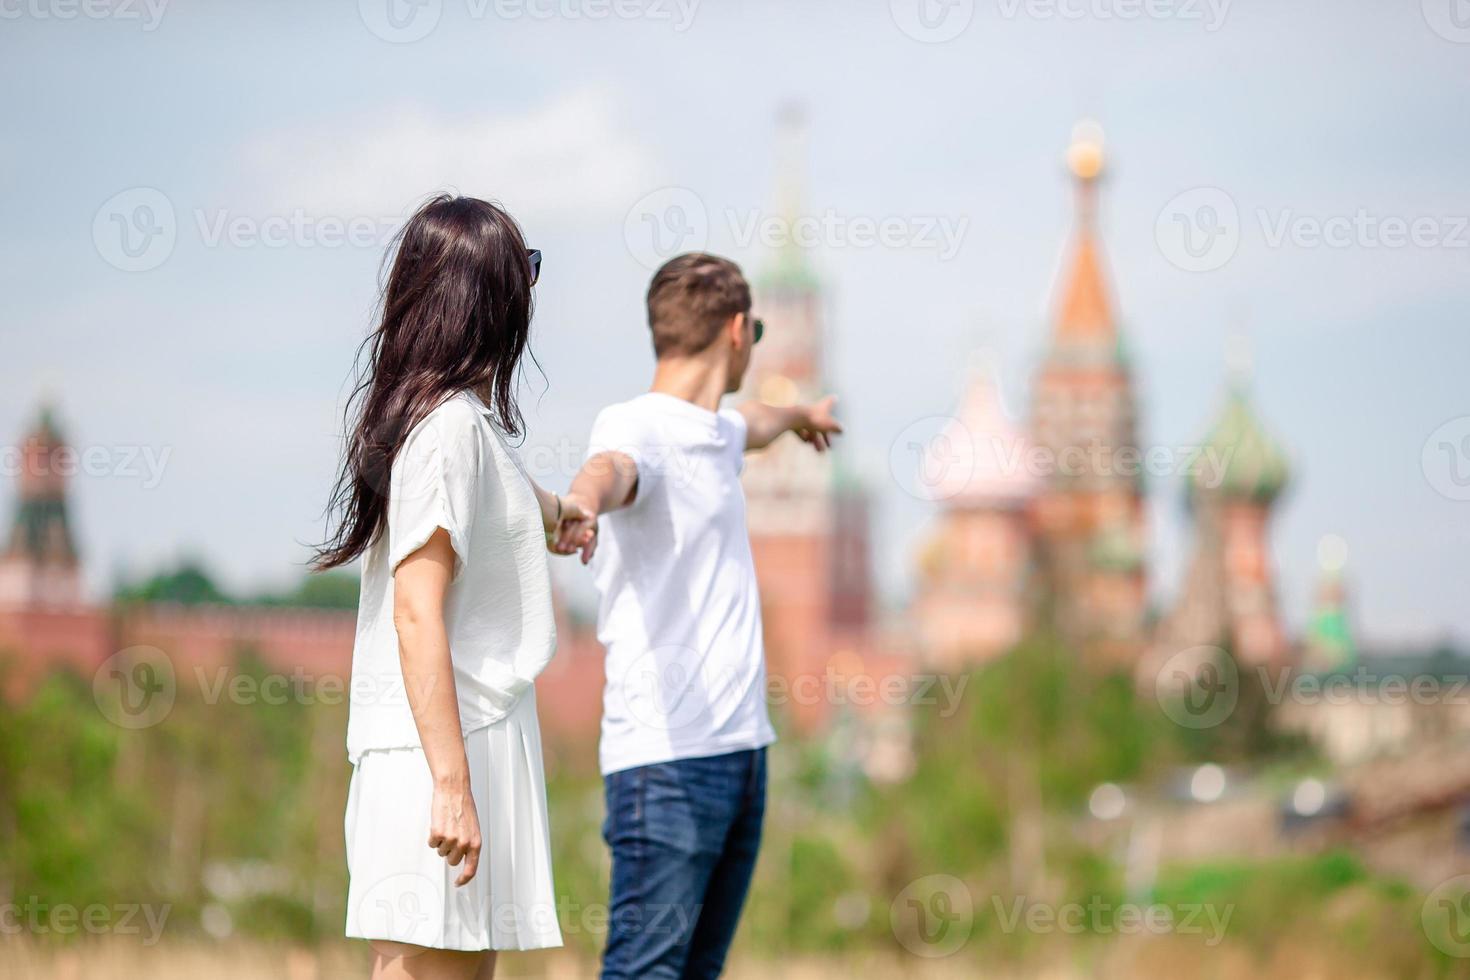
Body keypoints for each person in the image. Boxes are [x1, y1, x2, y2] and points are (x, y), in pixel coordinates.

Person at [315, 195, 593, 980]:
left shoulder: (458, 427)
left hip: (461, 747)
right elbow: (415, 612)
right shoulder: (447, 435)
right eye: (525, 272)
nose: (531, 293)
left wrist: (562, 515)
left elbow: (507, 492)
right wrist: (451, 787)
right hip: (444, 752)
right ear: (487, 298)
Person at [555, 252, 844, 979]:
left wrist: (802, 416)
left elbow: (756, 423)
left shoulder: (716, 433)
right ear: (740, 331)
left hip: (741, 752)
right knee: (644, 971)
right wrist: (584, 504)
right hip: (668, 761)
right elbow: (612, 468)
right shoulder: (638, 424)